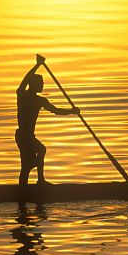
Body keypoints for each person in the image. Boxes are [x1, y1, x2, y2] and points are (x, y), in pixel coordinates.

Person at [16, 54, 79, 187]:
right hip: (24, 136)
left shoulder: (40, 100)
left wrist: (71, 111)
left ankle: (28, 189)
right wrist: (37, 65)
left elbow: (56, 111)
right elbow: (25, 79)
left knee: (28, 165)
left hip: (26, 136)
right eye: (41, 83)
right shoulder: (22, 95)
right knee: (38, 153)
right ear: (34, 84)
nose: (43, 85)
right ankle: (38, 183)